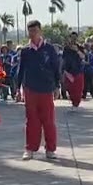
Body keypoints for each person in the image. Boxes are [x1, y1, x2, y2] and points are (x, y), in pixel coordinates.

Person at [17, 20, 62, 160]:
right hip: (30, 89)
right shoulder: (25, 51)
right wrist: (18, 89)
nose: (32, 34)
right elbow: (21, 70)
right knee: (31, 121)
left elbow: (56, 68)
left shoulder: (49, 49)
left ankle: (50, 149)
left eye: (35, 31)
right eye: (30, 31)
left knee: (48, 120)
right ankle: (30, 149)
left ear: (40, 31)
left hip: (47, 89)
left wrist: (57, 86)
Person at [62, 33, 85, 107]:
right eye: (72, 37)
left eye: (75, 37)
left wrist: (77, 50)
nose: (73, 39)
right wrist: (64, 70)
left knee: (78, 89)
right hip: (69, 72)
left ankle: (76, 103)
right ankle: (73, 101)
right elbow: (63, 59)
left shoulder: (80, 47)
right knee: (70, 89)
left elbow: (83, 56)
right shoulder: (66, 48)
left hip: (78, 70)